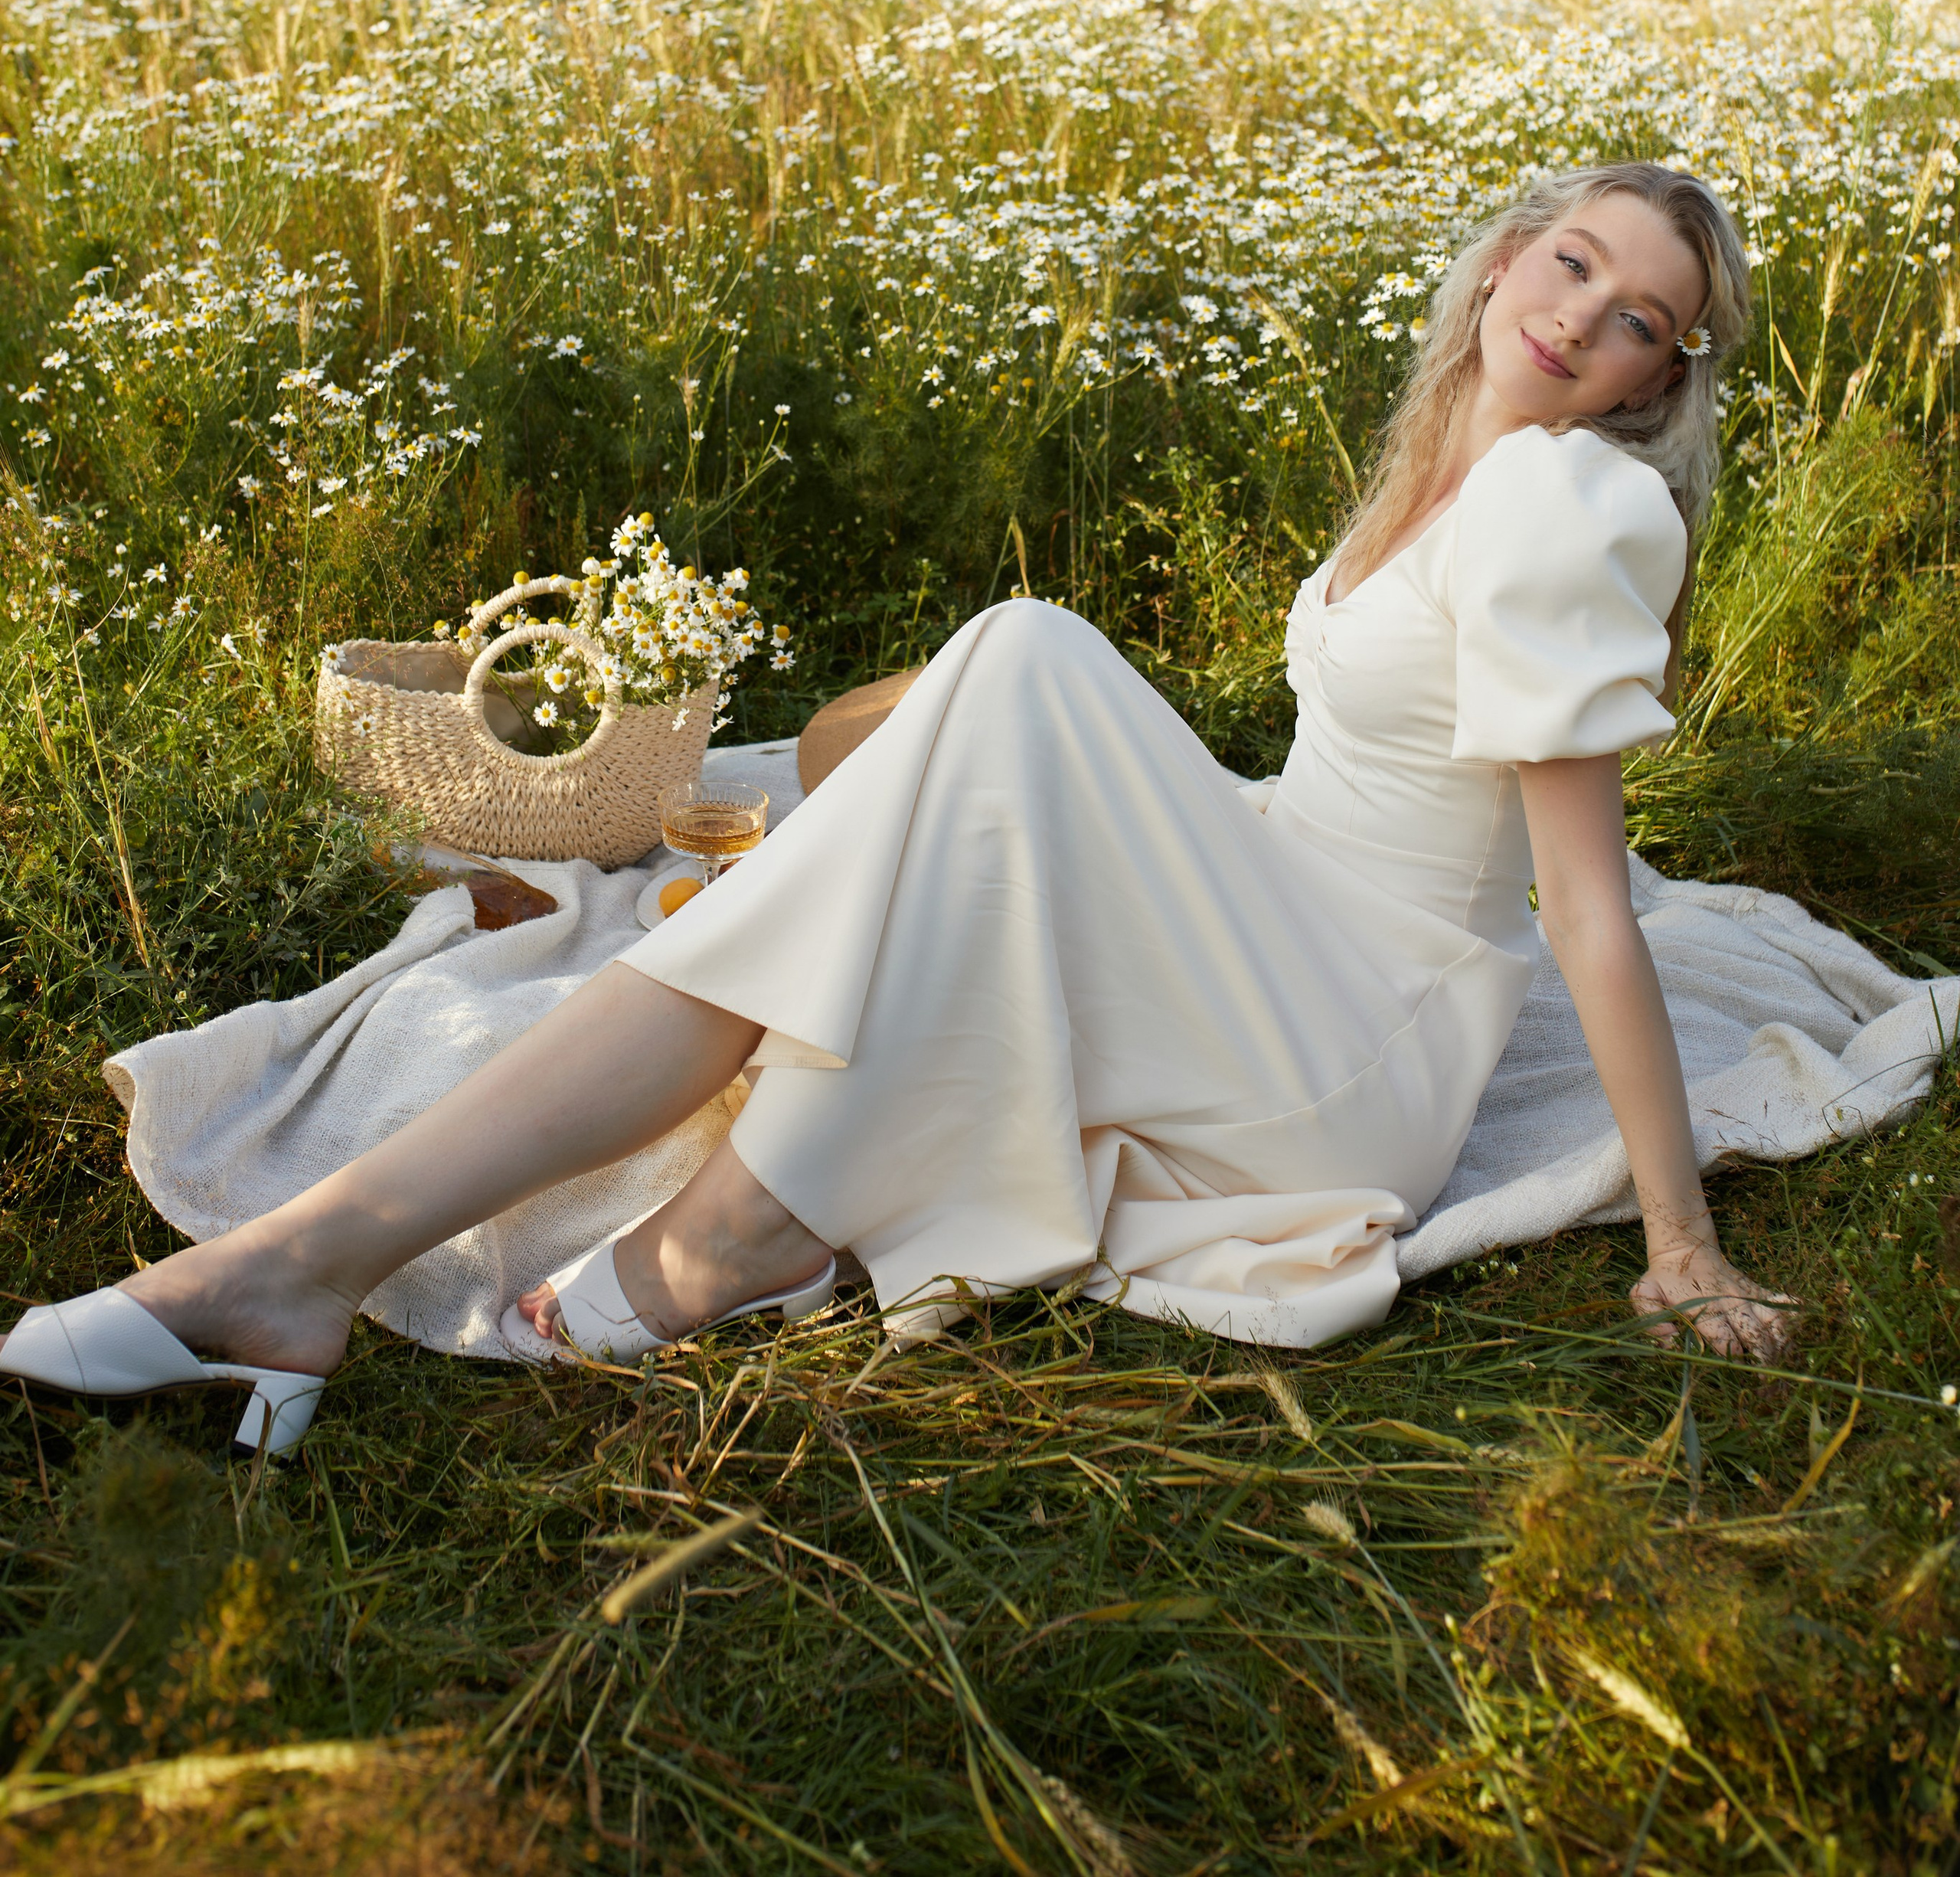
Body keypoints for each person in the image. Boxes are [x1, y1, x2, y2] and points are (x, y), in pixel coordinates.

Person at [1, 163, 1790, 1454]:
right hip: (1268, 915)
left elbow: (1580, 906)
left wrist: (1678, 1240)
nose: (1579, 318)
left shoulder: (1569, 512)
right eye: (1568, 263)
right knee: (970, 747)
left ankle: (737, 1222)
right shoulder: (1443, 471)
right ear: (1498, 266)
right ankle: (309, 1264)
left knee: (1020, 660)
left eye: (1637, 318)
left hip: (1344, 1049)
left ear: (1657, 380)